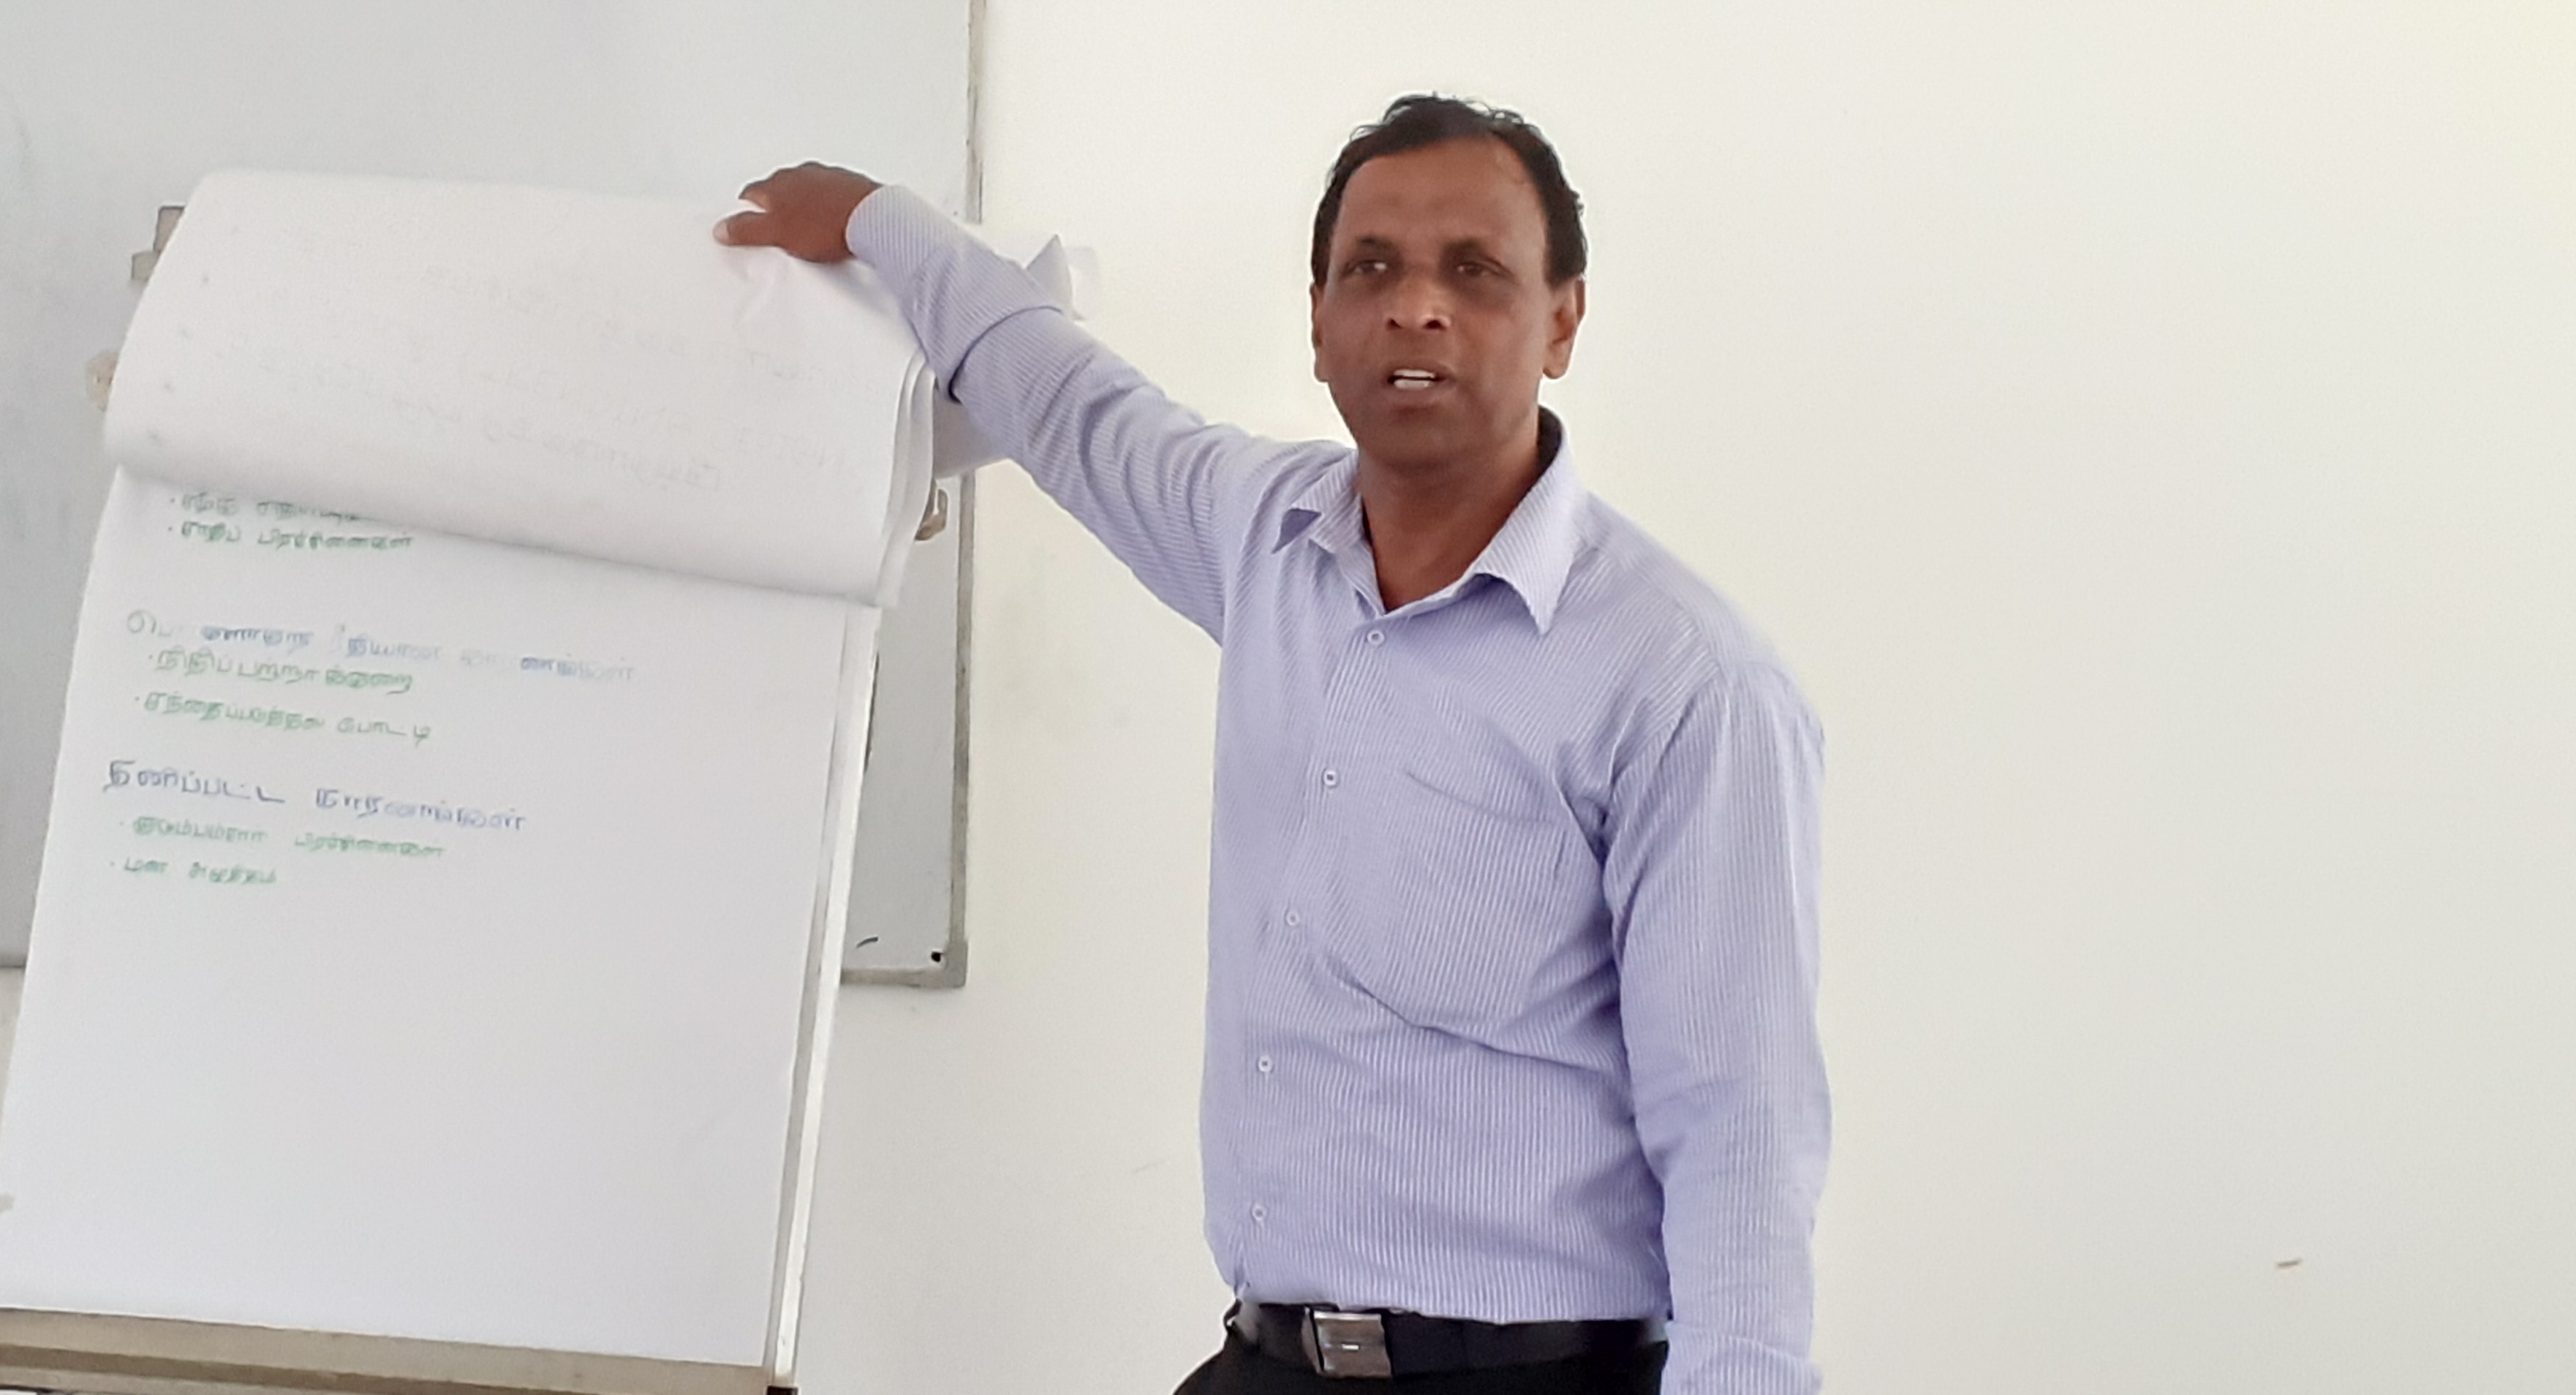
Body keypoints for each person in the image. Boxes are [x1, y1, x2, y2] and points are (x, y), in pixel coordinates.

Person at [723, 95, 1827, 1395]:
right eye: (1373, 269)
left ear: (1563, 320)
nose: (1416, 309)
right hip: (1268, 1358)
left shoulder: (1686, 684)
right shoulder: (1264, 537)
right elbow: (1067, 400)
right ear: (1317, 322)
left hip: (1536, 1375)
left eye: (1474, 271)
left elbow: (1740, 1132)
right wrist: (875, 220)